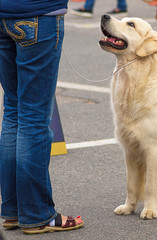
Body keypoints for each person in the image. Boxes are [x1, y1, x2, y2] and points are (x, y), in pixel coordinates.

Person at [0, 0, 84, 235]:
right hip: (37, 12)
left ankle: (13, 210)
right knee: (33, 116)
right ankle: (37, 214)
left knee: (13, 110)